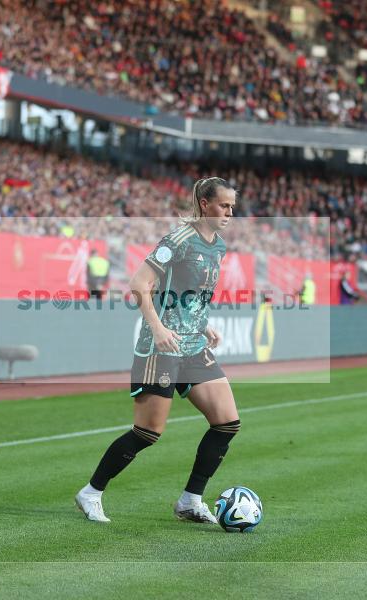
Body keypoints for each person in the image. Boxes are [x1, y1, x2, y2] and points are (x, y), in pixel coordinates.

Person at [75, 177, 239, 524]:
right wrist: (158, 328)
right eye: (224, 205)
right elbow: (139, 283)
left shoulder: (219, 246)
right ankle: (91, 492)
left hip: (193, 346)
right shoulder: (177, 240)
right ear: (205, 204)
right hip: (160, 347)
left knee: (227, 422)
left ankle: (190, 501)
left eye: (232, 207)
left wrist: (202, 324)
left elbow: (191, 295)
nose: (229, 212)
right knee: (148, 432)